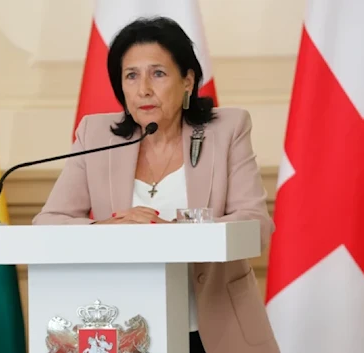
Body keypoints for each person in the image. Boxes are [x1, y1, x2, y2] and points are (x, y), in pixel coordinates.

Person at [32, 16, 280, 353]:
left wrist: (173, 232)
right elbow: (47, 223)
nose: (144, 89)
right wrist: (106, 227)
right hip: (128, 332)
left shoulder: (228, 129)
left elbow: (255, 223)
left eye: (158, 73)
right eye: (131, 75)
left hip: (216, 331)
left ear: (188, 80)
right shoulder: (95, 134)